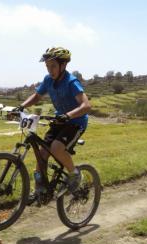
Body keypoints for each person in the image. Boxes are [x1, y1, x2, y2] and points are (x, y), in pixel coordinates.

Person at [14, 47, 91, 201]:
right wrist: (21, 107)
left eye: (53, 66)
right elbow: (37, 96)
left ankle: (75, 174)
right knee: (42, 153)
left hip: (75, 122)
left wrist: (68, 115)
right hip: (59, 120)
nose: (50, 70)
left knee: (56, 148)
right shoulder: (48, 80)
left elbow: (86, 106)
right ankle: (40, 191)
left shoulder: (71, 82)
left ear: (63, 65)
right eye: (47, 67)